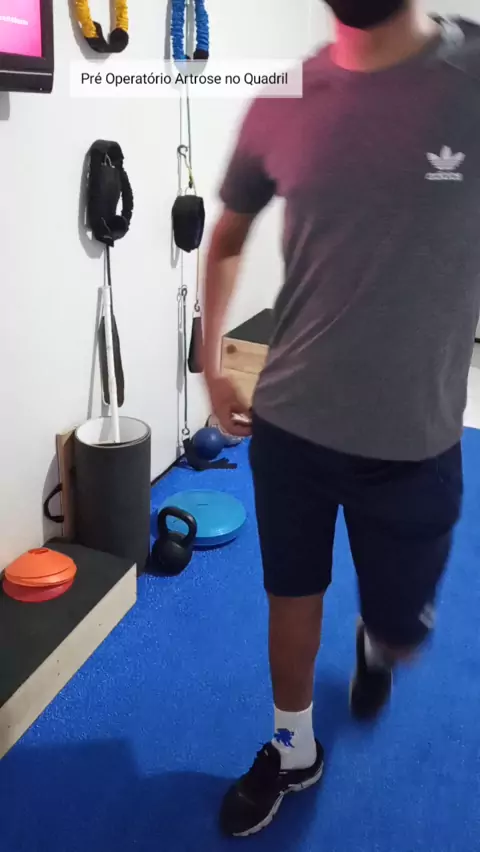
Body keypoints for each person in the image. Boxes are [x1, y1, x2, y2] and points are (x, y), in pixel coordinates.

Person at [202, 1, 480, 838]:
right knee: (291, 593)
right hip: (293, 421)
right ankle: (293, 749)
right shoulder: (283, 97)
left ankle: (376, 641)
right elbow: (228, 233)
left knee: (402, 634)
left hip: (414, 437)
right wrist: (210, 359)